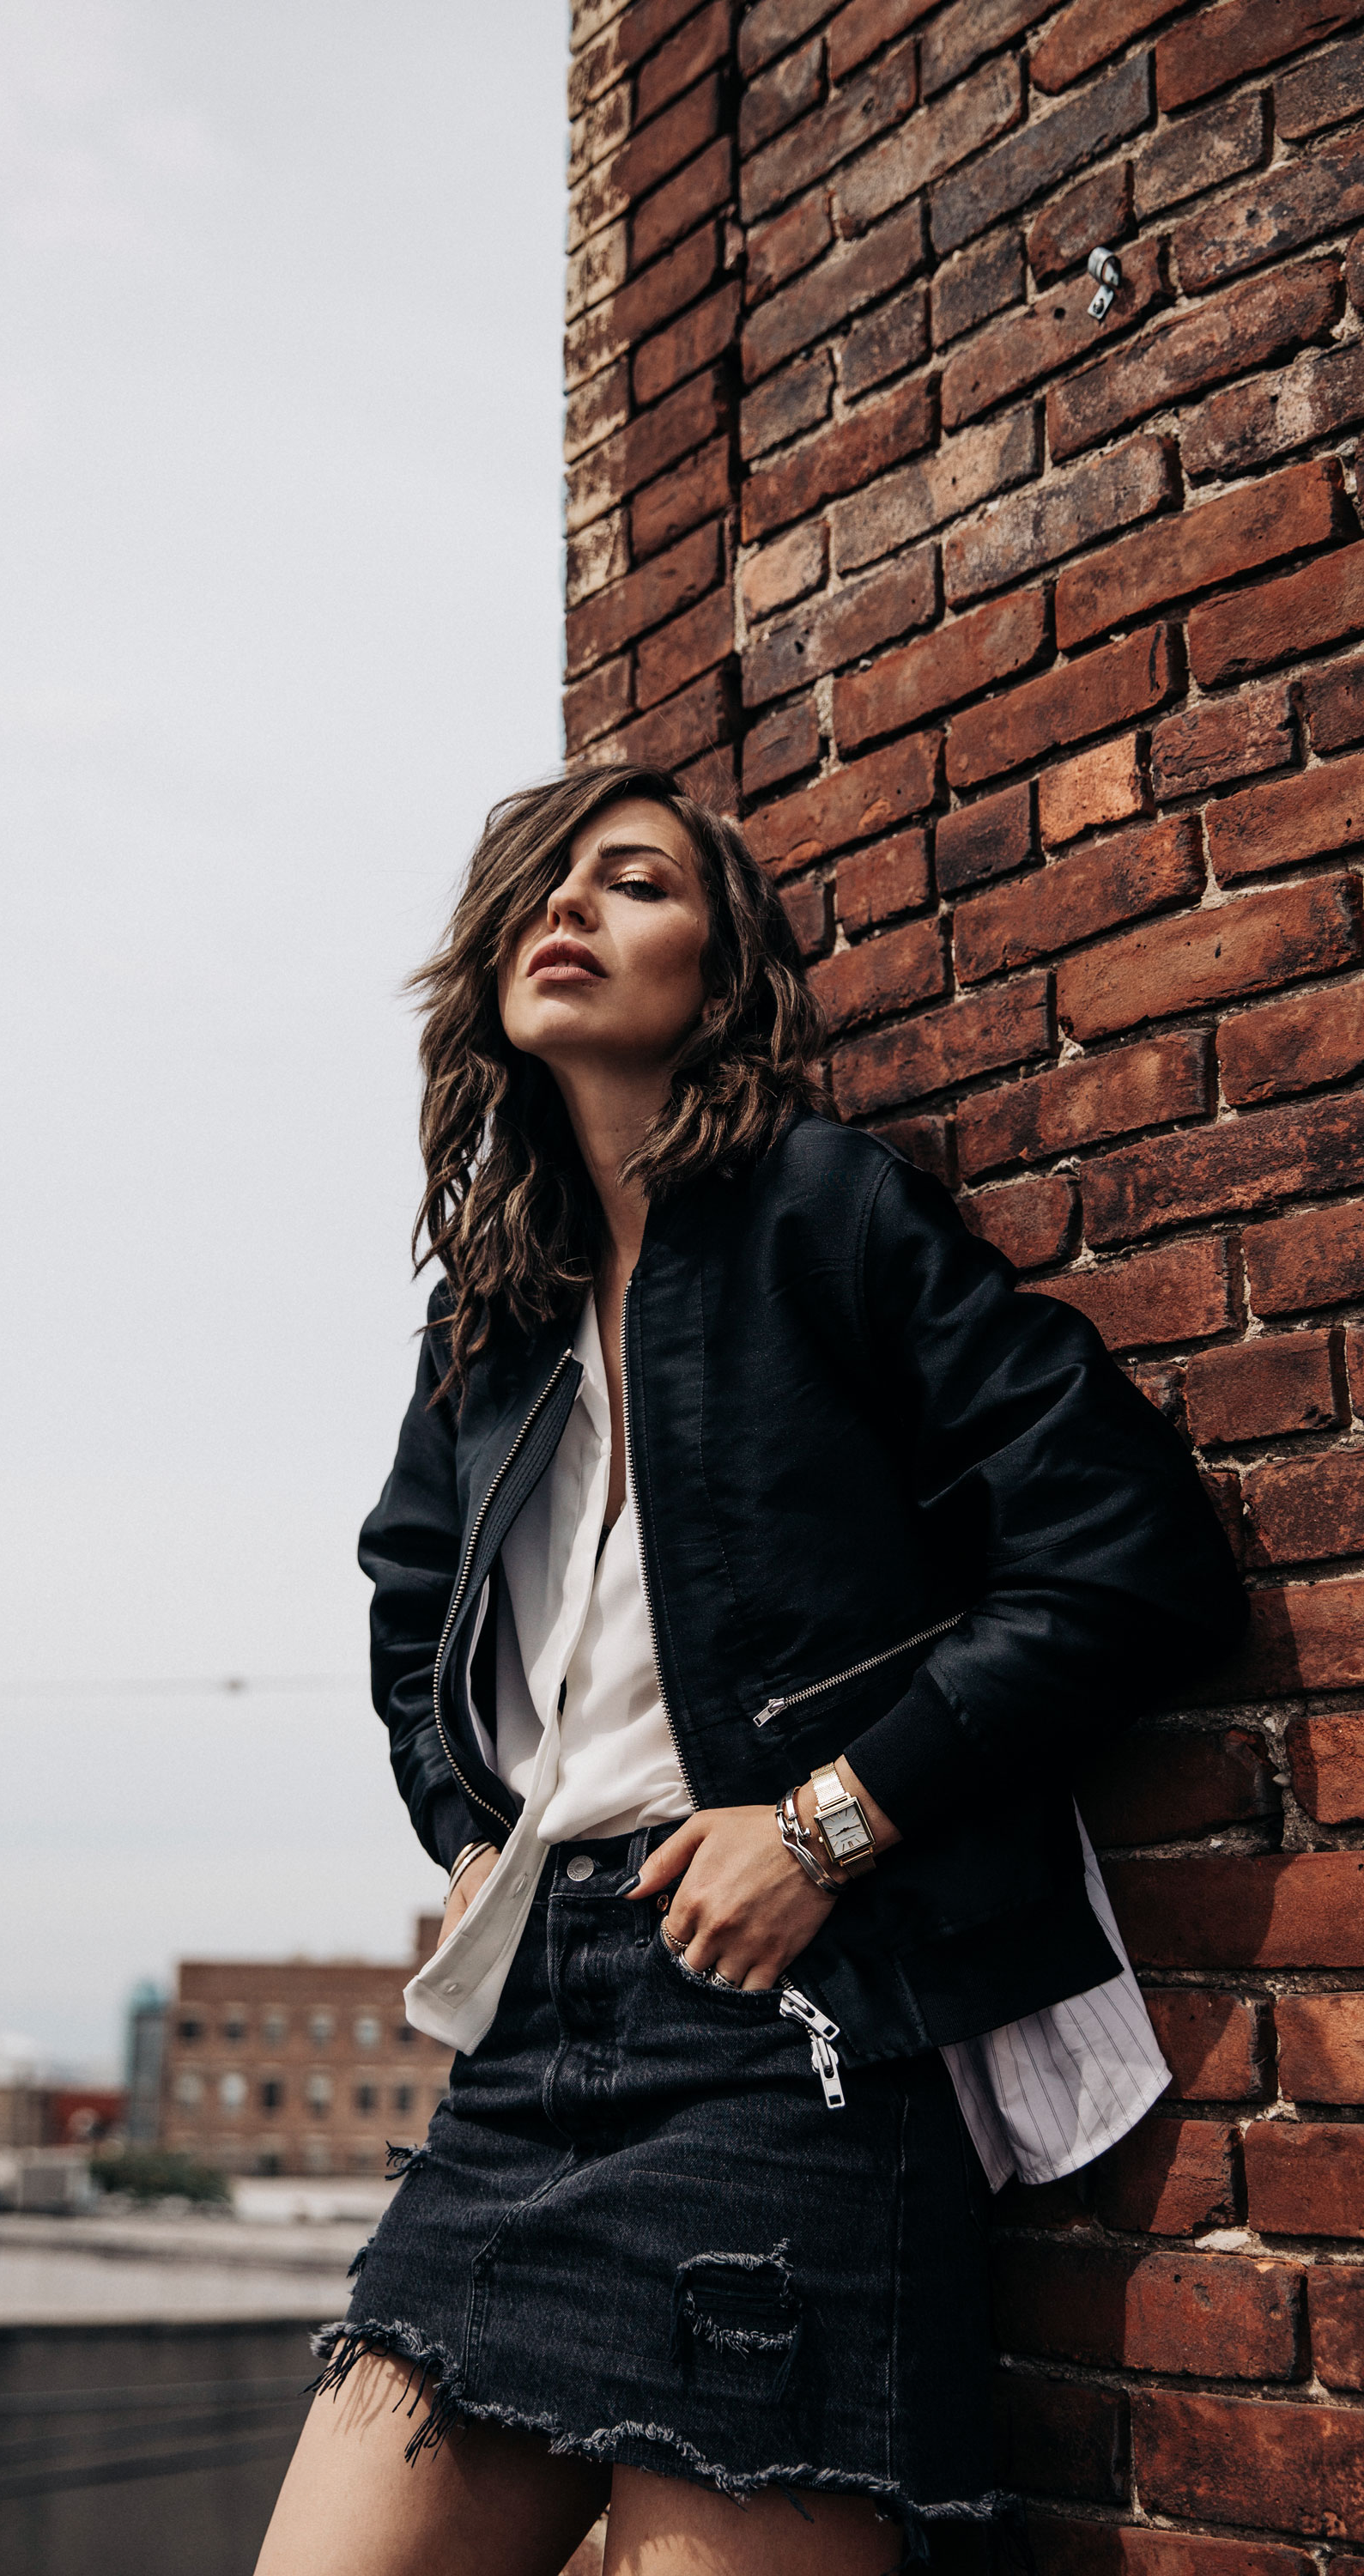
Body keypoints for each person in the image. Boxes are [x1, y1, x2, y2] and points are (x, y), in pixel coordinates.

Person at [254, 766, 1247, 2576]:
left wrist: (829, 1823)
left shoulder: (824, 1212)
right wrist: (461, 1829)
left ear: (717, 973)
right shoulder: (491, 1305)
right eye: (539, 886)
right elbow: (415, 1599)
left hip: (784, 2043)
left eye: (629, 883)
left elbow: (1132, 1555)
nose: (568, 908)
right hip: (530, 2041)